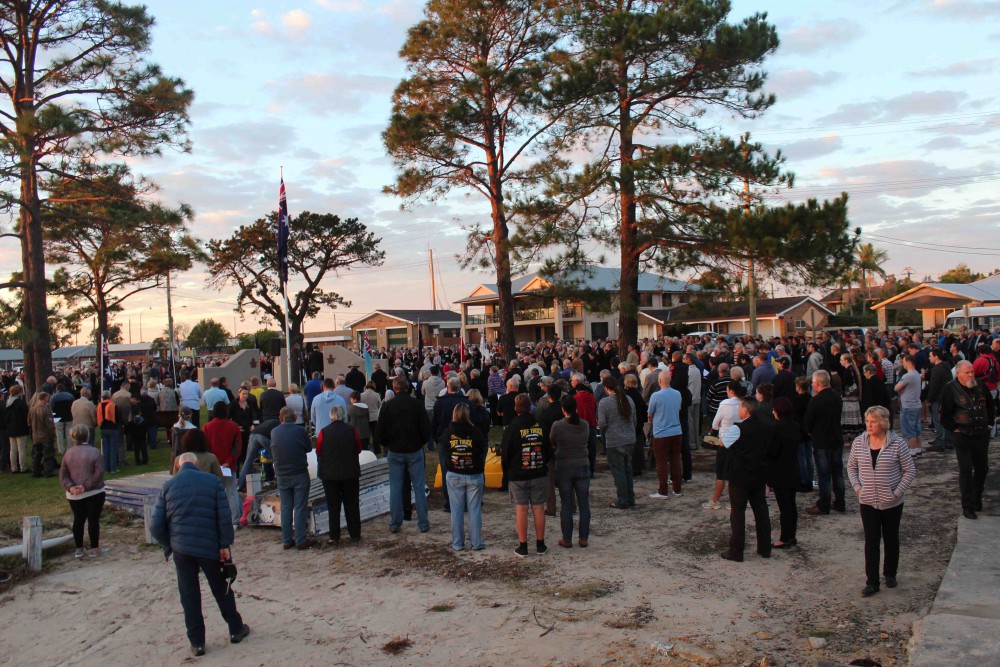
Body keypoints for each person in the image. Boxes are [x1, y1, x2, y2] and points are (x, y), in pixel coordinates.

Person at [150, 452, 250, 657]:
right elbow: (223, 516)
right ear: (196, 464)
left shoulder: (168, 486)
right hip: (210, 547)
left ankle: (197, 643)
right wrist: (224, 544)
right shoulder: (213, 482)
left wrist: (171, 544)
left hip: (182, 549)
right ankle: (235, 629)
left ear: (178, 466)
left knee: (189, 596)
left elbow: (156, 526)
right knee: (221, 589)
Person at [847, 406, 916, 596]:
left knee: (891, 537)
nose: (869, 425)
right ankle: (872, 581)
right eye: (867, 421)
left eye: (873, 422)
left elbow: (909, 470)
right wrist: (858, 488)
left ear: (883, 423)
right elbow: (851, 467)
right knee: (871, 540)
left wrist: (897, 492)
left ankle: (890, 573)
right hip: (868, 501)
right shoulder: (859, 443)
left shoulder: (897, 444)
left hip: (891, 502)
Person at [939, 360, 995, 520]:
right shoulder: (950, 388)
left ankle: (976, 498)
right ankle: (968, 506)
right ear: (958, 374)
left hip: (981, 434)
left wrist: (990, 423)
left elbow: (990, 405)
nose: (971, 375)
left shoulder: (980, 385)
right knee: (966, 469)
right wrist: (954, 428)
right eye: (967, 373)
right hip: (962, 435)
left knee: (982, 468)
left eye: (972, 372)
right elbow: (944, 413)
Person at [719, 397, 772, 562]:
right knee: (761, 510)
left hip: (739, 475)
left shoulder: (738, 428)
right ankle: (765, 547)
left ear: (746, 410)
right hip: (758, 473)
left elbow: (724, 443)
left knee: (737, 513)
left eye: (740, 408)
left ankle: (736, 551)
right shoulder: (765, 426)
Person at [378, 376, 431, 534]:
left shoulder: (388, 406)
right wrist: (420, 442)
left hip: (396, 451)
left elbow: (380, 432)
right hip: (414, 450)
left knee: (395, 487)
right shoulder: (416, 405)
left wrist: (388, 443)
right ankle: (423, 522)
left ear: (394, 388)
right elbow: (426, 428)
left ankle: (395, 522)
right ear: (407, 387)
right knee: (419, 486)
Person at [501, 393, 550, 556]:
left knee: (521, 509)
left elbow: (505, 454)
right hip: (538, 472)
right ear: (530, 408)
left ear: (516, 409)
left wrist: (507, 472)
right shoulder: (541, 427)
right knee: (538, 508)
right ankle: (540, 544)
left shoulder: (511, 429)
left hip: (518, 474)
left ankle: (523, 546)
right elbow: (548, 449)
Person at [441, 403, 489, 551]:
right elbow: (483, 449)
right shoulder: (476, 432)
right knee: (474, 510)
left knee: (456, 511)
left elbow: (444, 450)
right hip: (473, 474)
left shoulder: (448, 432)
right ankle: (476, 542)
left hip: (455, 474)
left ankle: (457, 543)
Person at [270, 407, 316, 549]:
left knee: (286, 507)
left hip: (281, 474)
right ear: (295, 418)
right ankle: (301, 539)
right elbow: (309, 448)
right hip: (299, 472)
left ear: (281, 418)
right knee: (300, 506)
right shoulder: (300, 431)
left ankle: (286, 539)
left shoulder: (274, 432)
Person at [316, 405, 362, 546]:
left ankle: (334, 536)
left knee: (333, 506)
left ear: (331, 417)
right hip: (350, 472)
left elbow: (318, 451)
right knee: (352, 504)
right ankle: (355, 533)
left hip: (329, 474)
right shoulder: (352, 430)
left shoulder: (324, 432)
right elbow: (359, 448)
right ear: (343, 416)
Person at [59, 424, 106, 558]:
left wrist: (71, 487)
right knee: (93, 520)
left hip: (74, 494)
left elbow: (63, 474)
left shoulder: (68, 453)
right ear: (87, 435)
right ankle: (95, 548)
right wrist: (85, 486)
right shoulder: (95, 452)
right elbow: (99, 473)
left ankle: (79, 549)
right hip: (94, 491)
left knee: (78, 520)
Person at [551, 395, 591, 548]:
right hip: (582, 465)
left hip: (564, 467)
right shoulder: (585, 425)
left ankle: (567, 539)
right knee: (584, 503)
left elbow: (552, 441)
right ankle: (583, 538)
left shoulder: (558, 425)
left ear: (563, 409)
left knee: (566, 503)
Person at [805, 370, 845, 515]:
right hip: (836, 437)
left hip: (822, 440)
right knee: (837, 472)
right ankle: (840, 502)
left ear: (816, 383)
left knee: (824, 474)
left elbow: (808, 423)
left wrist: (810, 431)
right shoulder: (837, 397)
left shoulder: (816, 400)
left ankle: (824, 504)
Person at [704, 381, 745, 510]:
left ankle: (715, 501)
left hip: (725, 441)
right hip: (740, 442)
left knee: (721, 474)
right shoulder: (744, 403)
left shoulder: (725, 404)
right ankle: (735, 501)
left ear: (730, 390)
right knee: (737, 473)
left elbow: (715, 424)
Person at [598, 376, 636, 509]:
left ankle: (623, 500)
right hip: (629, 439)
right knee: (627, 470)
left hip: (614, 441)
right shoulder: (628, 399)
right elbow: (634, 420)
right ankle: (630, 498)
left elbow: (602, 424)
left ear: (606, 388)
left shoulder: (604, 403)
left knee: (619, 472)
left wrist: (604, 432)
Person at [203, 402, 242, 528]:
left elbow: (205, 447)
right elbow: (237, 447)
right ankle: (235, 519)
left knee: (213, 493)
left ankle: (214, 519)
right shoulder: (233, 426)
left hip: (213, 465)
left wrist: (214, 462)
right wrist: (229, 461)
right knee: (231, 491)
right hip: (228, 465)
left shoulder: (207, 427)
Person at [768, 398, 801, 549]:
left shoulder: (777, 429)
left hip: (780, 471)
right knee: (791, 505)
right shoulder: (795, 426)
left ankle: (785, 537)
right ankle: (791, 535)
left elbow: (772, 451)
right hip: (793, 468)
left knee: (785, 507)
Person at [647, 372, 683, 499]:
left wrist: (652, 421)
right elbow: (678, 409)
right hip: (676, 431)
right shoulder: (677, 394)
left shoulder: (656, 396)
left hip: (661, 433)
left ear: (659, 381)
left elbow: (650, 414)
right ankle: (677, 489)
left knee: (661, 463)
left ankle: (663, 491)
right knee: (675, 461)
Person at [894, 355, 923, 457]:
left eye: (904, 362)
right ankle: (918, 449)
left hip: (908, 406)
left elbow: (897, 388)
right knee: (917, 429)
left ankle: (912, 450)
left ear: (909, 362)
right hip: (917, 405)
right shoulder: (917, 374)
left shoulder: (907, 376)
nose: (903, 364)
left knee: (909, 430)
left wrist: (900, 388)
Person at [28, 392, 56, 477]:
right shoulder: (46, 410)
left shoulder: (32, 409)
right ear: (45, 398)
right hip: (45, 436)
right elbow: (49, 424)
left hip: (35, 436)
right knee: (48, 455)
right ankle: (48, 471)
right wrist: (53, 433)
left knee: (36, 455)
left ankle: (35, 471)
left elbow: (28, 422)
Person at [5, 384, 30, 473]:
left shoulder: (7, 403)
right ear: (19, 392)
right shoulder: (20, 403)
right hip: (21, 428)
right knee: (21, 449)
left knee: (13, 449)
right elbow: (26, 414)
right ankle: (23, 467)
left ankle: (14, 467)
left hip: (11, 428)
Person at [50, 383, 75, 455]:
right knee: (69, 433)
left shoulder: (53, 397)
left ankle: (61, 450)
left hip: (57, 417)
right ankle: (69, 448)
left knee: (59, 433)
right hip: (69, 416)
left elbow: (51, 407)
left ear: (57, 389)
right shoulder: (70, 396)